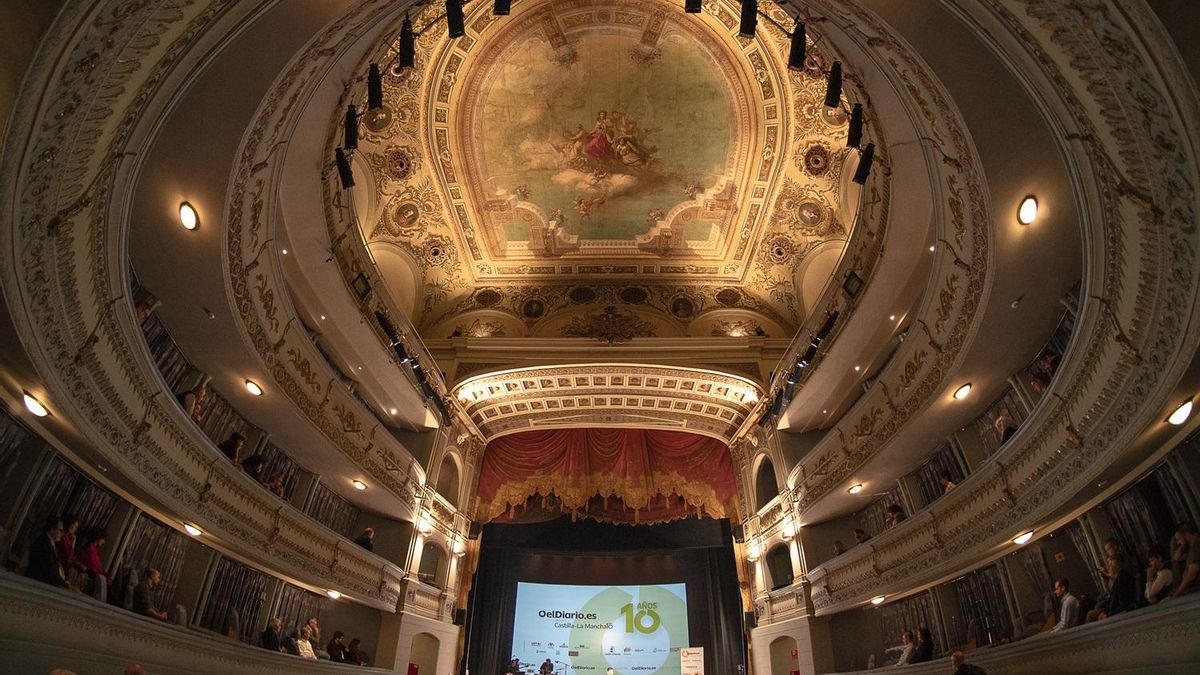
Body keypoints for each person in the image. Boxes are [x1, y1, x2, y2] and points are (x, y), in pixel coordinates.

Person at [1090, 538, 1136, 620]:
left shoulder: (1124, 566)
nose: (1107, 553)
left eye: (1108, 549)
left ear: (1115, 547)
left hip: (1117, 605)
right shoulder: (1117, 575)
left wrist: (1108, 614)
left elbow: (1122, 602)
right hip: (1112, 600)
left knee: (1094, 611)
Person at [26, 515, 69, 587]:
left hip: (45, 581)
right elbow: (50, 569)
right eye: (60, 530)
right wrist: (64, 584)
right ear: (52, 529)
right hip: (38, 582)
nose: (62, 534)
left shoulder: (50, 543)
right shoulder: (43, 543)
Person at [1168, 522, 1199, 599]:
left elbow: (1191, 575)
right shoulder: (1191, 546)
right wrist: (1183, 545)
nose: (1178, 542)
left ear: (1187, 534)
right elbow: (1176, 558)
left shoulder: (1196, 545)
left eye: (1179, 539)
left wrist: (1177, 594)